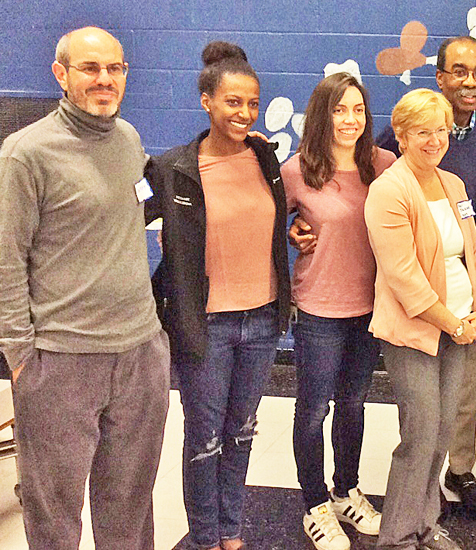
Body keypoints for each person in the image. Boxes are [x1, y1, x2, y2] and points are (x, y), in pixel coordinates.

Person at [0, 26, 170, 549]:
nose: (105, 80)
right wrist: (21, 356)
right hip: (60, 362)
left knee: (130, 507)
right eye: (90, 68)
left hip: (140, 353)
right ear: (61, 74)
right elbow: (6, 260)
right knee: (54, 512)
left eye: (115, 68)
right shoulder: (25, 154)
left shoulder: (129, 139)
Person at [144, 41, 291, 550]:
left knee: (243, 432)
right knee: (204, 441)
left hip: (263, 319)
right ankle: (205, 538)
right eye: (233, 102)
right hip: (204, 325)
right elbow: (119, 222)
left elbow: (268, 223)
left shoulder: (266, 158)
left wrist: (292, 236)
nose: (245, 113)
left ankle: (233, 532)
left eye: (252, 103)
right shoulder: (172, 169)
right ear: (206, 100)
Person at [374, 36, 476, 514]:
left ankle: (459, 469)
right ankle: (422, 488)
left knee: (465, 391)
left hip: (469, 283)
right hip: (420, 293)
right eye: (459, 71)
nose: (470, 81)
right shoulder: (402, 136)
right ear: (439, 77)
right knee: (424, 411)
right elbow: (363, 176)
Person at [365, 88, 476, 550]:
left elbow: (473, 249)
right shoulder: (389, 191)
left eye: (441, 130)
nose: (435, 140)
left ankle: (424, 523)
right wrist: (453, 323)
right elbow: (404, 278)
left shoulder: (453, 184)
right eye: (423, 132)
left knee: (443, 434)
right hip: (416, 333)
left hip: (462, 328)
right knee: (419, 436)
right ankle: (397, 537)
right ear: (400, 136)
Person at [281, 73, 396, 550]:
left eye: (358, 110)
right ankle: (315, 505)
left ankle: (346, 489)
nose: (349, 120)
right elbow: (269, 226)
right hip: (319, 310)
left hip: (369, 309)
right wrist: (292, 231)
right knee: (312, 410)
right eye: (339, 110)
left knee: (353, 405)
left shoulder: (384, 165)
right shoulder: (296, 171)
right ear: (321, 115)